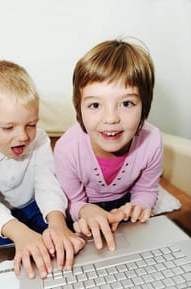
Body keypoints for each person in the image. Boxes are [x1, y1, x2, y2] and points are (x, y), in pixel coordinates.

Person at [0, 60, 85, 279]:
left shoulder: (40, 141)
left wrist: (57, 223)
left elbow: (47, 183)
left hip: (36, 207)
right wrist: (19, 233)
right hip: (1, 217)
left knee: (64, 246)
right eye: (8, 127)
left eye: (31, 124)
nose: (23, 136)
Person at [54, 38, 163, 252]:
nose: (111, 118)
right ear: (79, 109)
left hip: (126, 206)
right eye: (95, 105)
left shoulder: (152, 140)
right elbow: (71, 202)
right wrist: (86, 211)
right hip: (84, 212)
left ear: (144, 105)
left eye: (126, 103)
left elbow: (146, 190)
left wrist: (139, 206)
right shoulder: (66, 148)